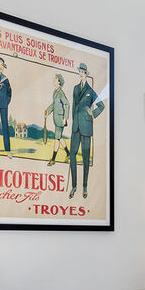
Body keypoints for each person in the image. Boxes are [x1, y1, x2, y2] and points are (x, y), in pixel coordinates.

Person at [68, 62, 104, 199]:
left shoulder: (91, 91)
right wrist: (73, 122)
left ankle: (84, 186)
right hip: (75, 127)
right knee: (72, 155)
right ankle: (74, 186)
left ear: (86, 74)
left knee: (85, 158)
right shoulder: (75, 88)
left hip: (87, 128)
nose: (81, 74)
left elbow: (101, 105)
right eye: (80, 72)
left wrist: (92, 112)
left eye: (83, 72)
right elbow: (74, 106)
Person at [44, 73, 69, 166]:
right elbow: (54, 104)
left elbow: (67, 104)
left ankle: (53, 159)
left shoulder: (60, 93)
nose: (54, 79)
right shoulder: (56, 91)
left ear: (59, 82)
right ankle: (68, 153)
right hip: (57, 119)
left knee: (56, 139)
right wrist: (48, 111)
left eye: (55, 79)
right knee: (59, 137)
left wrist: (65, 118)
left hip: (60, 119)